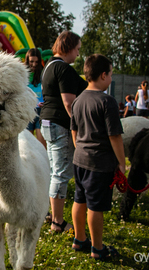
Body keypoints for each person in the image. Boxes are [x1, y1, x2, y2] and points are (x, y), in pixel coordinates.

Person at [71, 54, 124, 259]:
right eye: (110, 74)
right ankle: (98, 248)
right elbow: (115, 136)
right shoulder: (107, 101)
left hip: (80, 160)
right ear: (103, 75)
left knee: (79, 199)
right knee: (95, 206)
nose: (110, 78)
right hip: (99, 164)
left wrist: (80, 150)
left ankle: (79, 239)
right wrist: (121, 163)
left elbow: (74, 132)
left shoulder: (78, 100)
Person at [40, 31, 88, 232]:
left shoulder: (49, 66)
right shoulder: (64, 69)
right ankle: (57, 222)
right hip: (60, 124)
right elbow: (69, 103)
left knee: (53, 171)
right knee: (60, 173)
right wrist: (78, 125)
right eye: (77, 49)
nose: (78, 54)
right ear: (68, 48)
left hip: (47, 122)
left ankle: (50, 213)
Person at [24, 48, 46, 147]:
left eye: (36, 62)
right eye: (31, 61)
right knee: (27, 145)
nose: (34, 64)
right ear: (27, 61)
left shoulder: (43, 73)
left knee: (42, 145)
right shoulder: (23, 75)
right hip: (28, 111)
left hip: (41, 111)